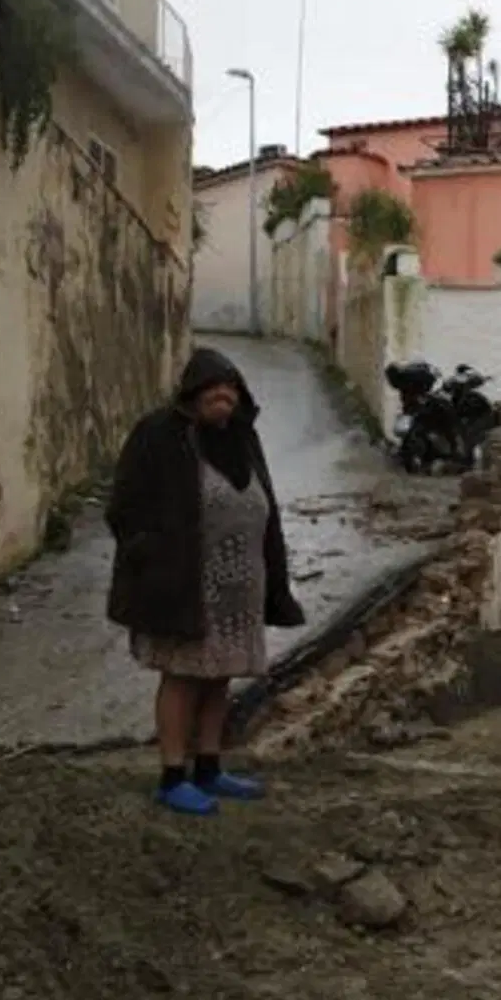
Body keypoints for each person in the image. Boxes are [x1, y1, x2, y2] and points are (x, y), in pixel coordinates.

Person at [107, 348, 305, 815]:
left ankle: (210, 768)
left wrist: (275, 576)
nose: (224, 396)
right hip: (183, 584)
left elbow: (267, 506)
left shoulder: (241, 439)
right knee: (182, 676)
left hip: (241, 588)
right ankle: (173, 776)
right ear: (192, 394)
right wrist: (151, 556)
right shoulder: (158, 435)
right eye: (214, 388)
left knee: (219, 678)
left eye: (232, 388)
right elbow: (125, 506)